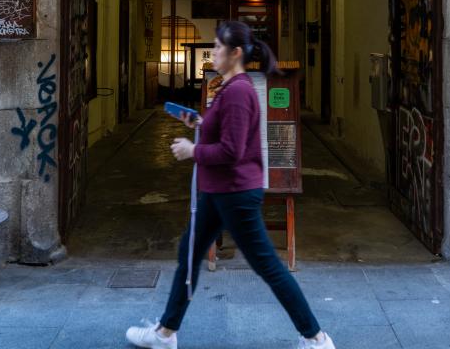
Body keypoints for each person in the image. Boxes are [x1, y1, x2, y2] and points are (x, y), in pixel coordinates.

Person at [126, 20, 335, 349]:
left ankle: (316, 337)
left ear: (235, 53)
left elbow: (232, 150)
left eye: (219, 46)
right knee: (189, 253)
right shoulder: (231, 87)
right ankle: (165, 333)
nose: (214, 51)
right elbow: (225, 131)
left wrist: (193, 150)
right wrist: (199, 122)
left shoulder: (238, 91)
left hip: (235, 193)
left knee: (268, 266)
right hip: (220, 191)